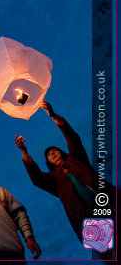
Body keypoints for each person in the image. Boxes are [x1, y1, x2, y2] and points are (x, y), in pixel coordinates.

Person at [15, 101, 116, 247]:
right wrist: (24, 151)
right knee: (111, 252)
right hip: (90, 220)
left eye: (54, 150)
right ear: (48, 162)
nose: (52, 153)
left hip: (110, 202)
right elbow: (37, 178)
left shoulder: (77, 160)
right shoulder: (54, 180)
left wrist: (53, 115)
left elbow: (73, 138)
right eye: (49, 154)